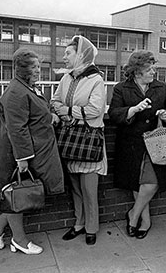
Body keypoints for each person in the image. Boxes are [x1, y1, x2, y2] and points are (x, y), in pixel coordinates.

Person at [0, 48, 64, 255]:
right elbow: (17, 128)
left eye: (39, 66)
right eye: (34, 67)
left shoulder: (28, 88)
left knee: (21, 192)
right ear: (22, 69)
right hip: (14, 153)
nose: (38, 70)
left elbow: (35, 113)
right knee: (16, 193)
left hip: (32, 150)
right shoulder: (15, 93)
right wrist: (22, 159)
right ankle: (19, 240)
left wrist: (50, 116)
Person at [108, 50, 166, 239]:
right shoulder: (121, 88)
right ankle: (145, 221)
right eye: (149, 69)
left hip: (155, 142)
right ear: (137, 71)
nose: (154, 72)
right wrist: (133, 110)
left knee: (151, 183)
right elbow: (114, 114)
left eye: (154, 68)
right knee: (137, 183)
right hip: (131, 144)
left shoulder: (162, 87)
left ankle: (133, 215)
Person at [51, 35, 107, 246]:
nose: (64, 57)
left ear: (81, 55)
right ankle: (79, 224)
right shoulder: (66, 78)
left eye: (68, 53)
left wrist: (68, 111)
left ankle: (91, 228)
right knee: (75, 187)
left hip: (88, 140)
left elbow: (95, 110)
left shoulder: (96, 80)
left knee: (89, 189)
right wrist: (63, 113)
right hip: (70, 140)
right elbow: (54, 100)